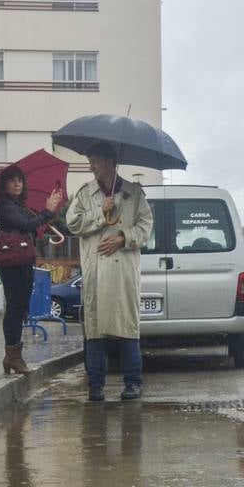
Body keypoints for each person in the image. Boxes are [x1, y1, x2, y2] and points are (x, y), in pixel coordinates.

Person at [64, 142, 154, 402]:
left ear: (111, 162)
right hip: (94, 271)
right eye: (90, 160)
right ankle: (96, 386)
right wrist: (100, 214)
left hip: (122, 271)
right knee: (94, 329)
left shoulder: (134, 193)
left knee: (127, 327)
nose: (91, 166)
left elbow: (145, 228)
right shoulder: (85, 193)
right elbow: (73, 224)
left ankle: (133, 383)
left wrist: (123, 238)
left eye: (96, 161)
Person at [0, 165, 64, 376]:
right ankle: (13, 356)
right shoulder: (5, 205)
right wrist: (48, 210)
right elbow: (26, 224)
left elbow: (32, 227)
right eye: (12, 180)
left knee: (20, 306)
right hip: (13, 263)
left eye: (20, 180)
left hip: (22, 261)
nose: (17, 183)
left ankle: (13, 355)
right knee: (15, 307)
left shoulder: (17, 205)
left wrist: (45, 216)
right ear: (4, 184)